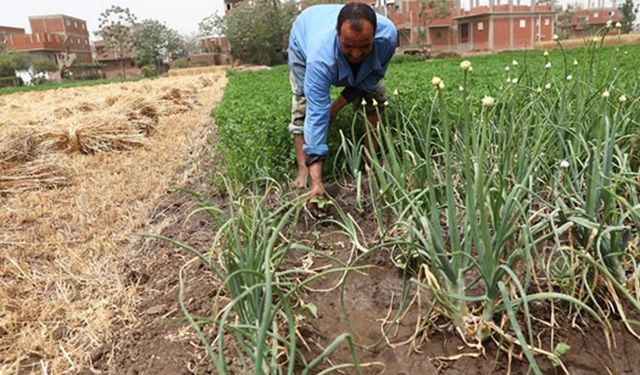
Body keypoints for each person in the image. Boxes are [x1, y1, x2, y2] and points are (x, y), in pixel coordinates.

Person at [287, 2, 398, 198]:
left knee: (374, 99)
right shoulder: (319, 58)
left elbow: (368, 81)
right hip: (304, 36)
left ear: (374, 36)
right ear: (337, 34)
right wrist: (318, 182)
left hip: (336, 48)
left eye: (364, 46)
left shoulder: (387, 38)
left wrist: (335, 108)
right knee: (304, 105)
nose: (356, 54)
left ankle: (370, 165)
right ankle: (305, 170)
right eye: (347, 46)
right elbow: (316, 114)